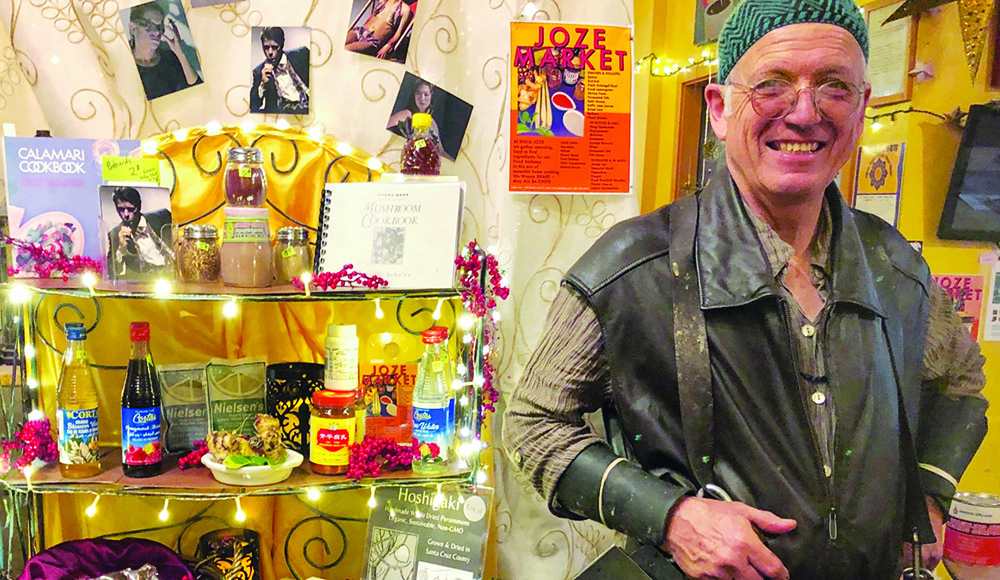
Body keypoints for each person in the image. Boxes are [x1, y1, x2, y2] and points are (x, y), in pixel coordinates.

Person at [502, 1, 990, 579]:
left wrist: (929, 495)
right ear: (719, 109)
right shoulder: (630, 269)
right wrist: (672, 516)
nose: (804, 113)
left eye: (834, 86)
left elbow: (959, 385)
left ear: (860, 110)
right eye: (772, 85)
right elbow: (533, 423)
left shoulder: (897, 266)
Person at [128, 2, 202, 100]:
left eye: (160, 27)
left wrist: (180, 54)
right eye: (149, 25)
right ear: (133, 28)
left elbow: (198, 90)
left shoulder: (170, 58)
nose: (157, 32)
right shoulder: (126, 66)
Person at [107, 187, 173, 280]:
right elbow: (112, 272)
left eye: (130, 209)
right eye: (121, 209)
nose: (125, 214)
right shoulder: (115, 233)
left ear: (138, 207)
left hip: (172, 272)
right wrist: (122, 249)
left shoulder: (161, 216)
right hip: (148, 279)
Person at [250, 27, 310, 115]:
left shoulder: (301, 54)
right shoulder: (259, 72)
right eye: (266, 47)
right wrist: (263, 84)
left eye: (274, 47)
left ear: (282, 44)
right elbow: (253, 106)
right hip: (285, 113)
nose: (270, 52)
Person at [387, 80, 445, 157]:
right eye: (418, 93)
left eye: (426, 94)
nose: (422, 98)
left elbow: (440, 150)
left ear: (431, 95)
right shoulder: (406, 115)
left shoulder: (432, 123)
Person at [345, 0, 413, 62]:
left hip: (372, 41)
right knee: (341, 42)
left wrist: (388, 45)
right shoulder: (384, 1)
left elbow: (398, 33)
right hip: (360, 31)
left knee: (347, 49)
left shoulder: (405, 10)